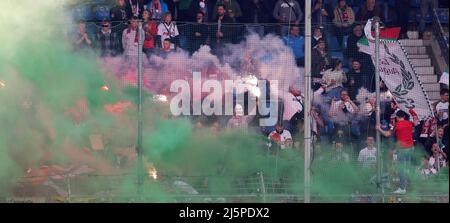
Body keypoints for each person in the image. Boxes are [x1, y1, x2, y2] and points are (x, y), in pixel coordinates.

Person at [376, 109, 419, 194]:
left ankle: (402, 188)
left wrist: (379, 129)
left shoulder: (397, 124)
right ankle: (409, 185)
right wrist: (412, 112)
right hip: (411, 148)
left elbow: (387, 134)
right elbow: (416, 121)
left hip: (402, 149)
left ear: (397, 117)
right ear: (404, 116)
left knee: (402, 169)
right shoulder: (409, 123)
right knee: (407, 168)